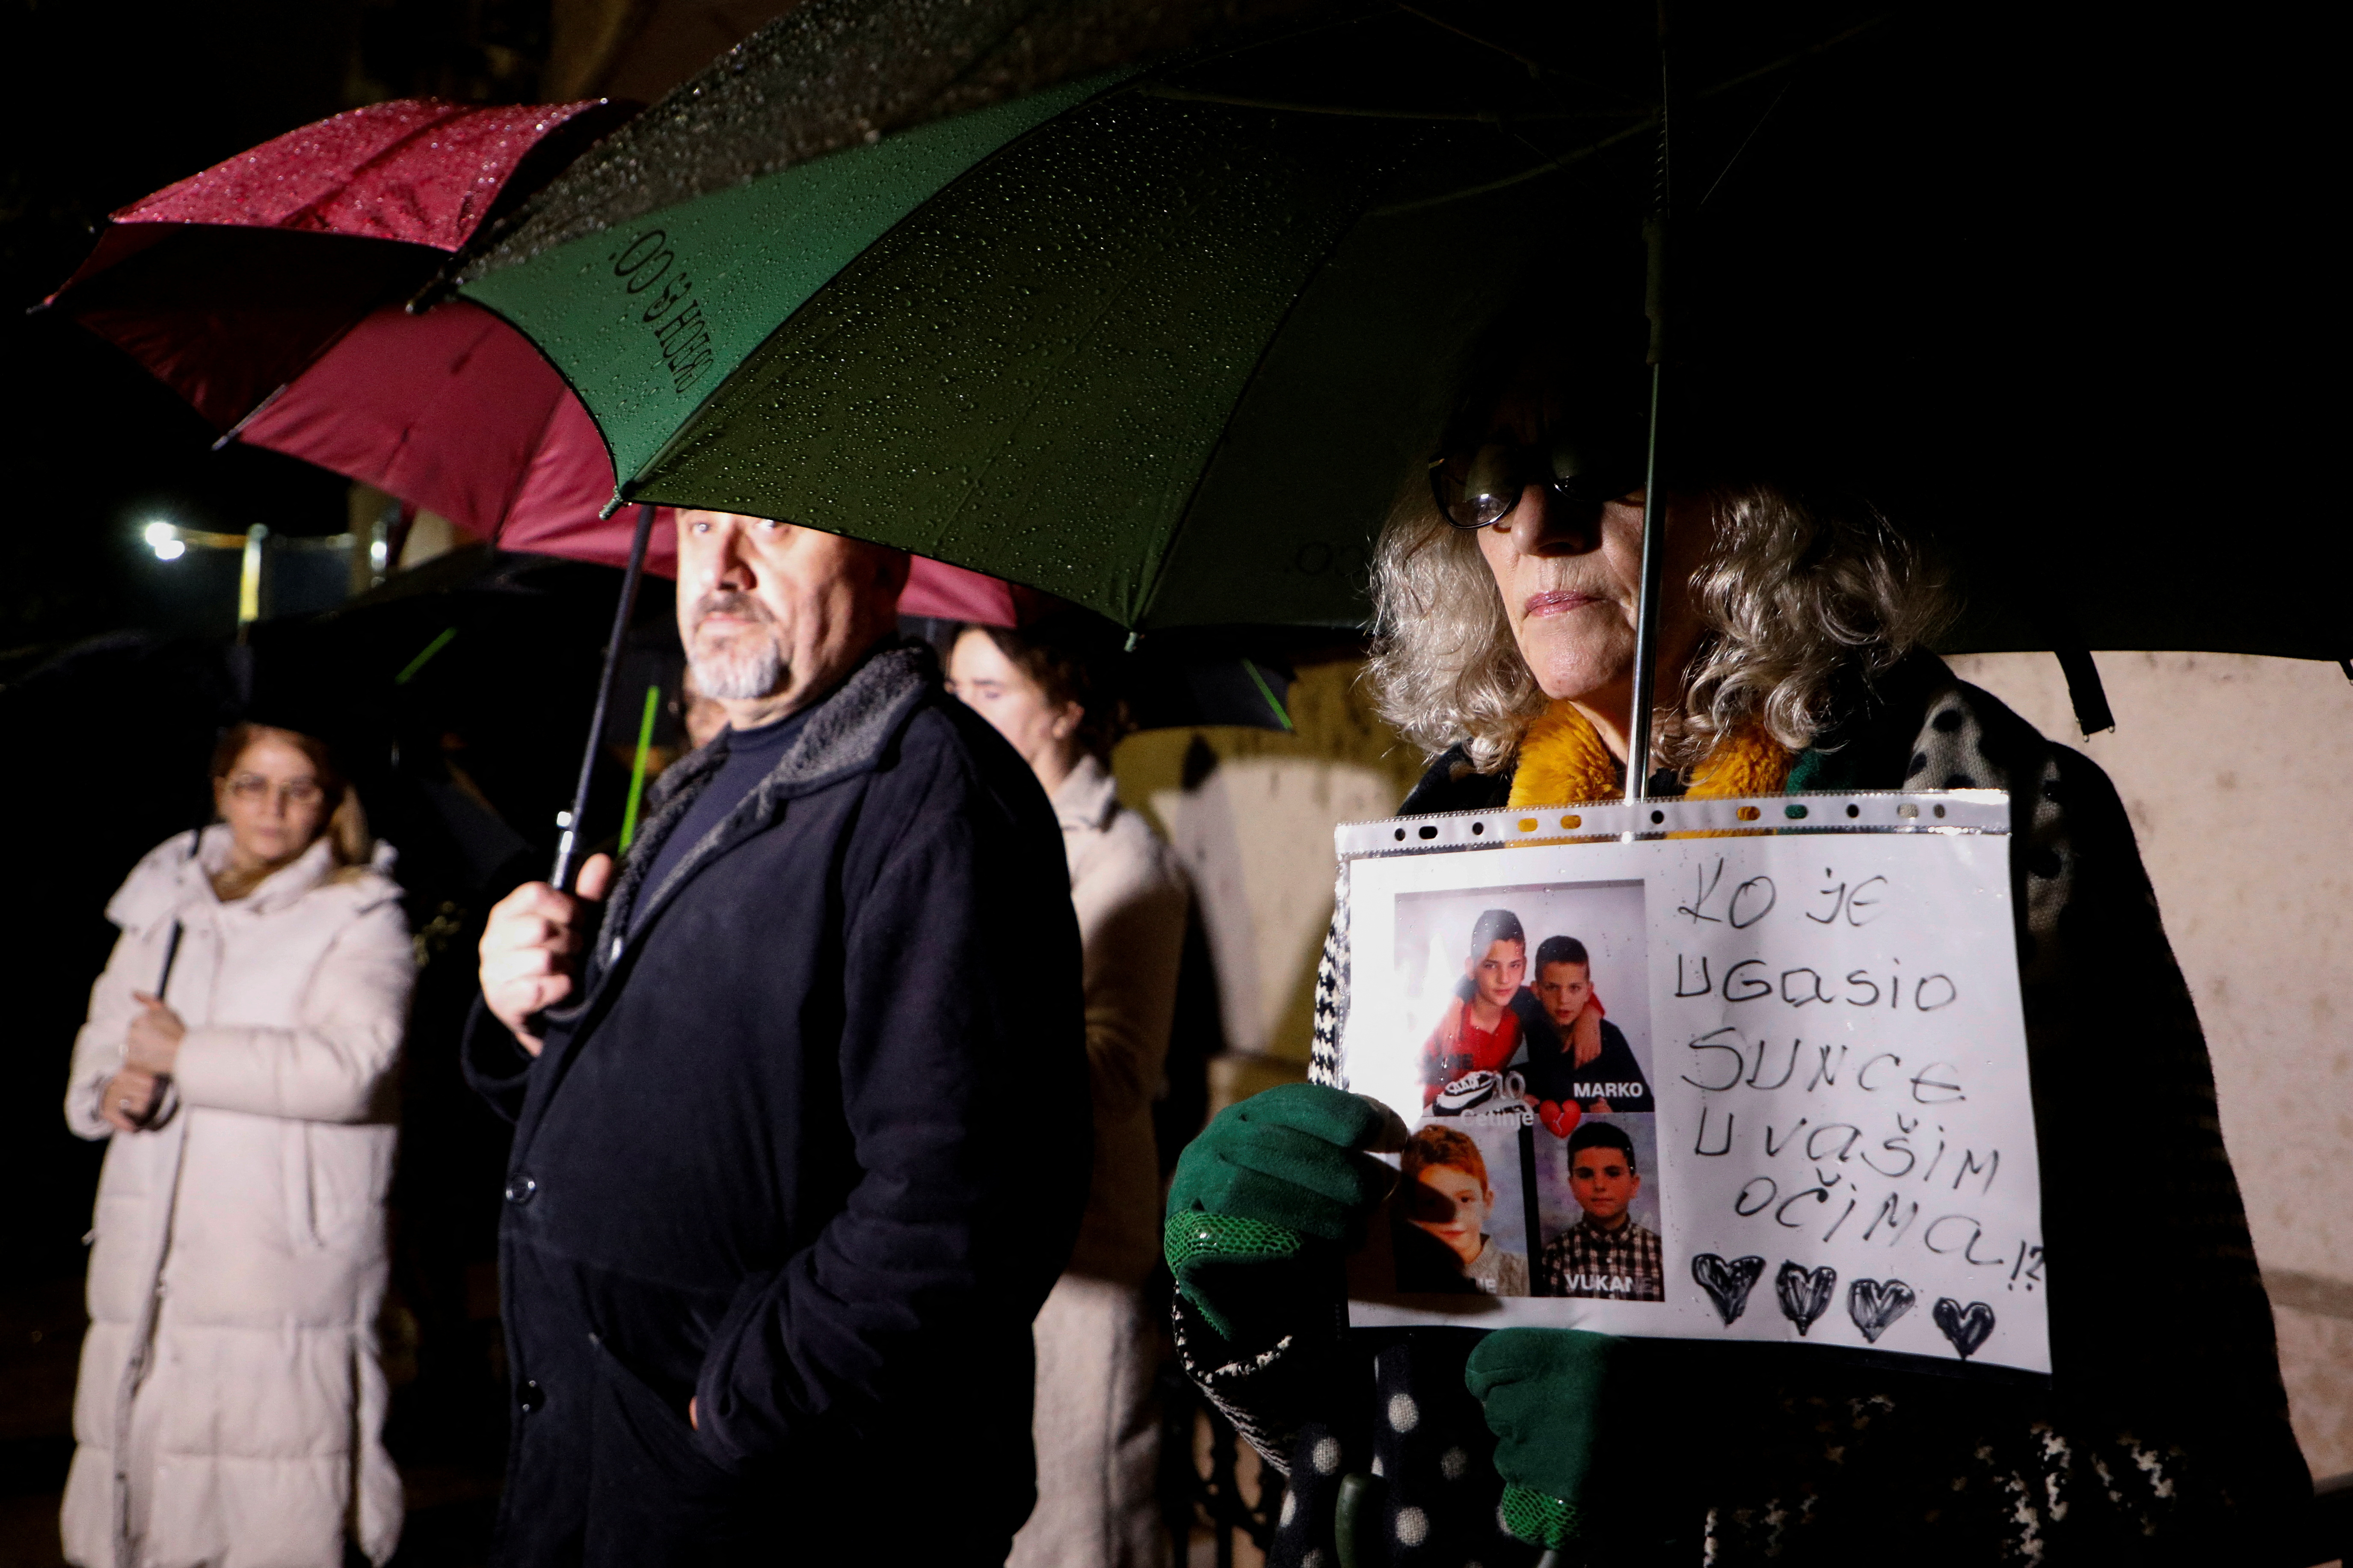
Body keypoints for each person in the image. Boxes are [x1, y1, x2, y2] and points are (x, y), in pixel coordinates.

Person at [1161, 315, 2309, 1562]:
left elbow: (2208, 1477)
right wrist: (1255, 1311)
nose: (1537, 523)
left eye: (1606, 447)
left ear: (1770, 490)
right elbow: (1354, 1433)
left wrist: (1735, 1479)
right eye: (1489, 475)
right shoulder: (1441, 839)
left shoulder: (1986, 823)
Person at [468, 512, 1088, 1567]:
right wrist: (527, 1008)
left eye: (776, 529)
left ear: (887, 560)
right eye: (700, 526)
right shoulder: (711, 780)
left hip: (784, 1496)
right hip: (611, 1459)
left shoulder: (932, 794)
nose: (722, 566)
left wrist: (745, 1401)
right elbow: (690, 1077)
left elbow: (964, 1196)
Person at [60, 723, 414, 1568]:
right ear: (219, 790)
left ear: (330, 804)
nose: (273, 807)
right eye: (252, 783)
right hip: (152, 1246)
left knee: (270, 1501)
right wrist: (109, 1090)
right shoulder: (164, 903)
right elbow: (109, 1034)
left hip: (276, 1258)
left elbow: (350, 1069)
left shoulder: (360, 913)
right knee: (153, 1488)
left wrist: (185, 1055)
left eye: (298, 788)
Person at [946, 615, 1188, 1568]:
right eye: (955, 690)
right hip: (987, 1247)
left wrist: (978, 994)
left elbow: (1118, 1071)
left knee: (1085, 1530)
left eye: (989, 693)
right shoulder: (977, 836)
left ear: (1067, 711)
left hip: (1083, 1255)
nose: (961, 713)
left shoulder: (1128, 860)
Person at [1517, 935, 1651, 1114]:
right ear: (1536, 990)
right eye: (1552, 987)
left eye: (1574, 988)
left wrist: (1614, 1114)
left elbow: (1646, 1108)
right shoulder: (1522, 1025)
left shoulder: (1609, 1037)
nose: (1563, 1000)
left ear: (1589, 992)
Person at [1396, 1124, 1529, 1297]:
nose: (1453, 1216)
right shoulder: (1403, 1278)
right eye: (1433, 1203)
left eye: (1465, 1199)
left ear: (1487, 1203)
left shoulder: (1524, 1275)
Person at [1538, 1123, 1662, 1302]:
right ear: (1573, 1186)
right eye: (1586, 1175)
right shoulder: (1554, 1257)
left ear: (1634, 1185)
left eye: (1612, 1173)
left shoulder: (1659, 1254)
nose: (1599, 1186)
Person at [1418, 908, 1524, 1105]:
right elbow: (1411, 1087)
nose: (1504, 979)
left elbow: (1562, 1000)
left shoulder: (1522, 1015)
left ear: (1524, 967)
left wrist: (1591, 1013)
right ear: (1471, 968)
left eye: (1514, 965)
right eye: (1491, 965)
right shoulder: (1445, 1020)